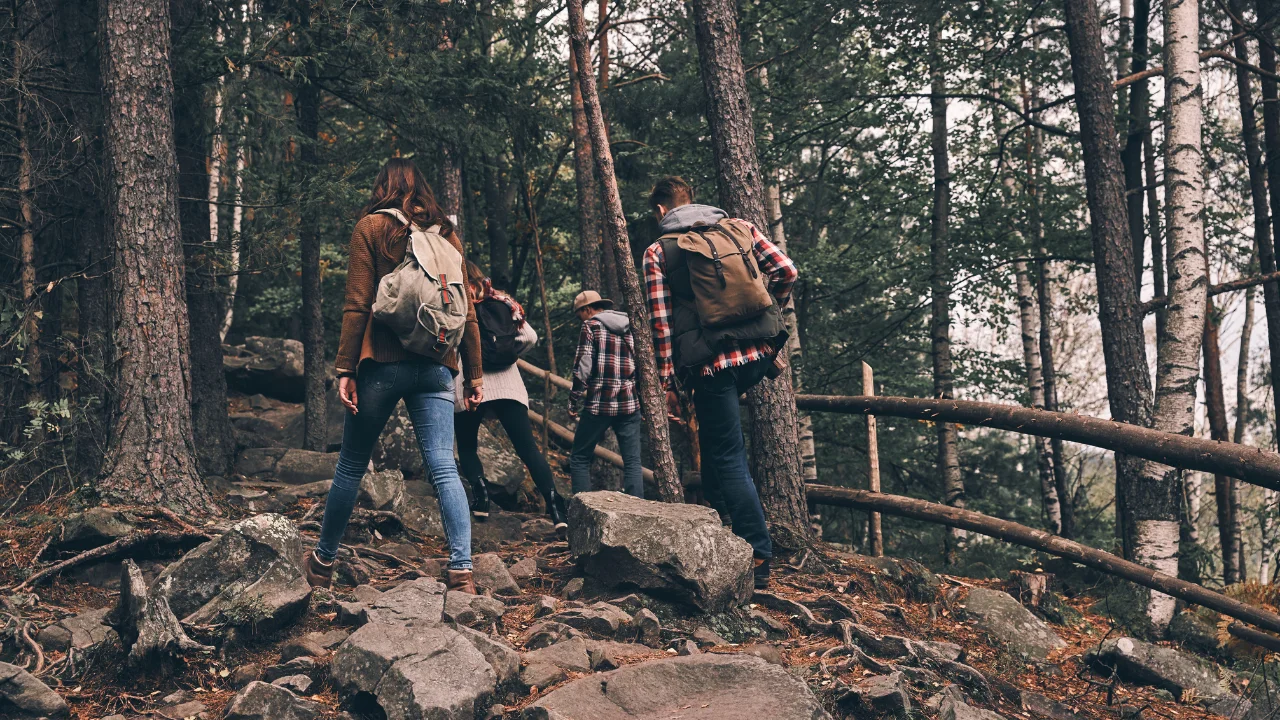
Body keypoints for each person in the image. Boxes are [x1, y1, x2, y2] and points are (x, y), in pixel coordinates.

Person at [304, 158, 483, 594]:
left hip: (381, 364)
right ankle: (462, 570)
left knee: (350, 464)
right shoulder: (446, 233)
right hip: (437, 366)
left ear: (382, 186)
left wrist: (346, 368)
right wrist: (474, 375)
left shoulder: (371, 227)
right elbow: (468, 313)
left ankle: (323, 563)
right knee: (444, 465)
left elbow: (357, 304)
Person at [642, 176, 798, 589]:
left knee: (729, 454)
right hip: (758, 355)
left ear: (661, 211)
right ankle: (721, 518)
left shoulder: (658, 251)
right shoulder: (741, 227)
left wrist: (668, 382)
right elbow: (786, 272)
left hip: (711, 365)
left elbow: (661, 323)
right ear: (692, 199)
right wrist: (769, 317)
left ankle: (759, 555)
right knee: (716, 441)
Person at [454, 261, 569, 529]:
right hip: (508, 385)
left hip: (470, 384)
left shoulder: (457, 305)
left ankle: (481, 497)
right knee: (527, 449)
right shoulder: (503, 302)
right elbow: (530, 336)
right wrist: (506, 352)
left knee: (468, 446)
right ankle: (555, 507)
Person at [567, 290, 643, 498]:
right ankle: (639, 515)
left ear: (588, 309)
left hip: (599, 402)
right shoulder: (631, 326)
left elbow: (583, 366)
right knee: (633, 463)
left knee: (580, 458)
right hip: (629, 403)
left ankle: (582, 514)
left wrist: (573, 401)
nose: (579, 318)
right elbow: (643, 365)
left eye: (579, 313)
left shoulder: (590, 326)